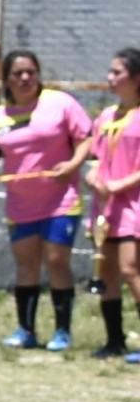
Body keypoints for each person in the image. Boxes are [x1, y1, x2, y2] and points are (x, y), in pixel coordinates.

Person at [0, 46, 95, 350]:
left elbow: (86, 138)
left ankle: (62, 332)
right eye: (18, 74)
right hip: (21, 204)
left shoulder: (60, 103)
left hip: (60, 199)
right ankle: (26, 330)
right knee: (26, 265)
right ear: (7, 80)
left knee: (56, 261)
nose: (25, 78)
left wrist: (73, 164)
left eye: (31, 73)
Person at [82, 48, 140, 361]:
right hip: (105, 207)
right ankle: (114, 340)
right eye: (110, 72)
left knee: (131, 269)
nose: (110, 78)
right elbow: (97, 157)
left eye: (118, 73)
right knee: (106, 272)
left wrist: (122, 183)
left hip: (133, 204)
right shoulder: (105, 117)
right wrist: (93, 174)